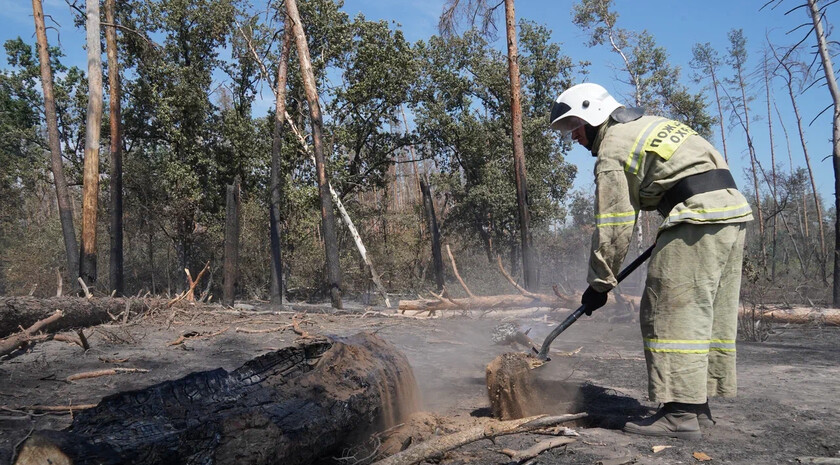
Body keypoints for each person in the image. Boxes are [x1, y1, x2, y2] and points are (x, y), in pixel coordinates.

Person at [549, 83, 753, 440]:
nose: (575, 137)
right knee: (704, 312)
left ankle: (678, 414)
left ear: (595, 114)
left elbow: (613, 226)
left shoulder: (612, 149)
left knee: (669, 311)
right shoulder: (651, 125)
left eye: (575, 126)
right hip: (730, 214)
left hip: (696, 217)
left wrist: (599, 284)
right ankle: (696, 405)